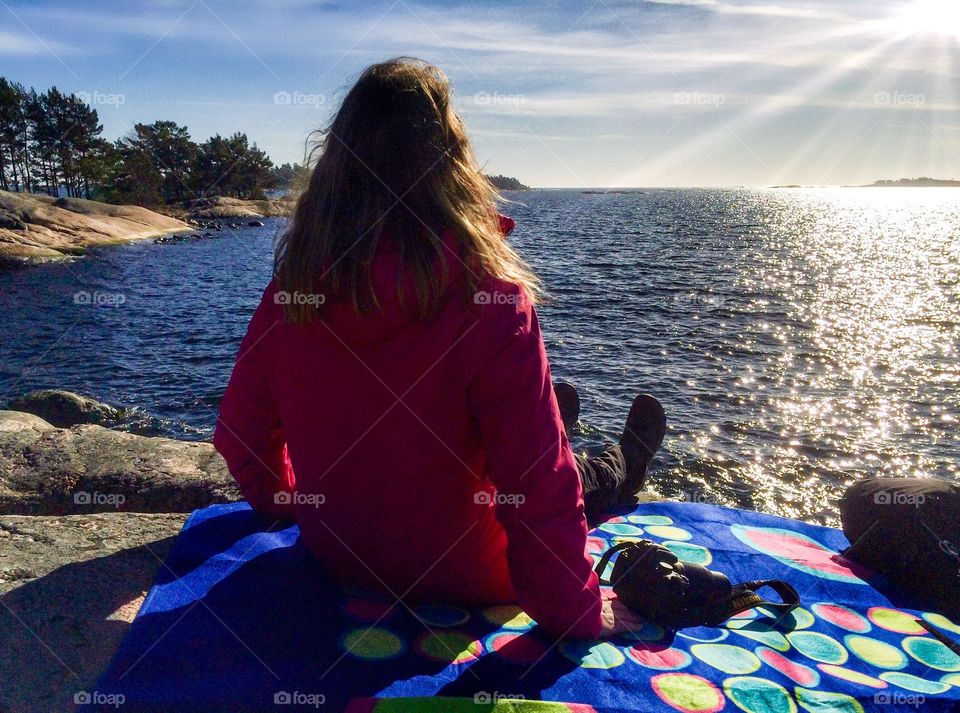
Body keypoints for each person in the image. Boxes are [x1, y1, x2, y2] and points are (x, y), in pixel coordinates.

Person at [214, 57, 663, 641]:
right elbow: (539, 486)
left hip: (342, 560)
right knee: (576, 474)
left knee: (531, 437)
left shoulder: (291, 295)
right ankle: (627, 461)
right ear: (452, 168)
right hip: (474, 575)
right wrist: (577, 611)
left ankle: (555, 418)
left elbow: (241, 433)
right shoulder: (491, 302)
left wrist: (286, 503)